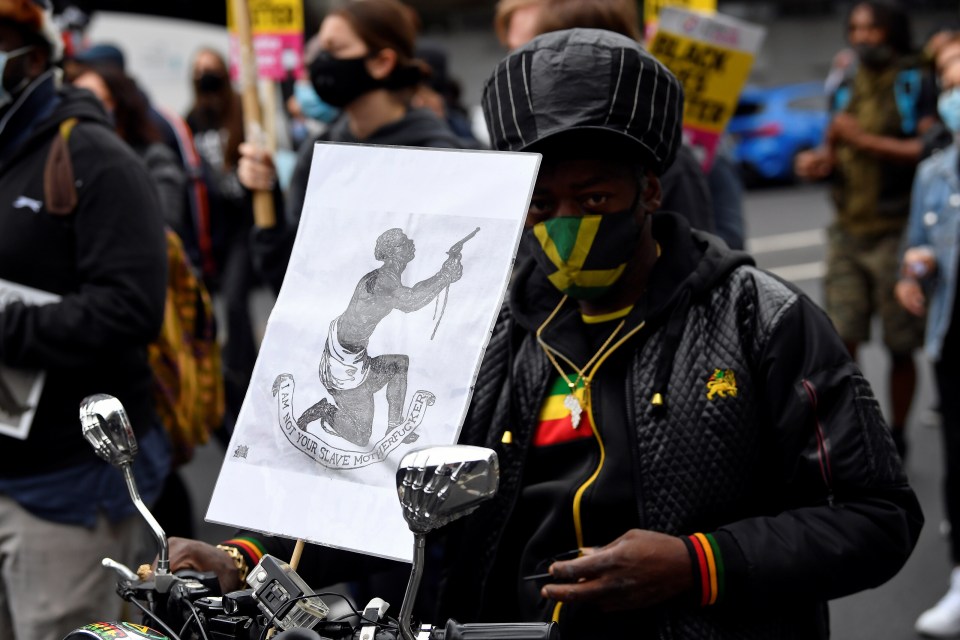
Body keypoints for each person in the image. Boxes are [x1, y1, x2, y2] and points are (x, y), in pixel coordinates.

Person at [170, 29, 922, 640]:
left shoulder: (762, 320)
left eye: (593, 197)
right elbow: (378, 486)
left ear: (650, 192)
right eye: (544, 202)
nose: (566, 221)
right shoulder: (484, 330)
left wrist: (699, 564)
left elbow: (876, 517)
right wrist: (245, 557)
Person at [0, 1, 170, 638]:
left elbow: (130, 310)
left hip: (70, 488)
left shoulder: (96, 158)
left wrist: (7, 329)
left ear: (34, 58)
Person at [237, 0, 466, 294]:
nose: (316, 62)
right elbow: (288, 274)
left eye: (334, 49)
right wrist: (267, 199)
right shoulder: (320, 152)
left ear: (382, 62)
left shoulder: (435, 156)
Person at [795, 1, 935, 458]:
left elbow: (930, 150)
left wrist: (863, 141)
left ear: (891, 32)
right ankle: (857, 430)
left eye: (871, 29)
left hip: (897, 233)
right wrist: (819, 162)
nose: (861, 36)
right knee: (841, 339)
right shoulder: (845, 81)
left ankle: (898, 435)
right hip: (847, 232)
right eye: (855, 28)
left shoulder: (915, 80)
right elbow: (833, 145)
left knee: (899, 346)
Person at [897, 55, 960, 638]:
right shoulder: (935, 172)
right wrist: (913, 270)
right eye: (949, 82)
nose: (953, 91)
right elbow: (914, 246)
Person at [296, 228, 463, 446]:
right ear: (392, 251)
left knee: (399, 364)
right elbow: (410, 301)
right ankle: (325, 410)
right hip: (343, 365)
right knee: (361, 436)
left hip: (356, 357)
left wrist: (444, 275)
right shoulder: (382, 280)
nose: (410, 242)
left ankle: (394, 426)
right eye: (404, 242)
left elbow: (412, 292)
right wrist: (445, 276)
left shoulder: (389, 278)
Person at [186, 47, 260, 433]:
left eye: (212, 70)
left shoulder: (242, 112)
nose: (206, 76)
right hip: (215, 231)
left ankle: (245, 371)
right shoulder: (192, 120)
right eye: (200, 71)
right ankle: (229, 366)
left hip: (245, 226)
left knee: (234, 298)